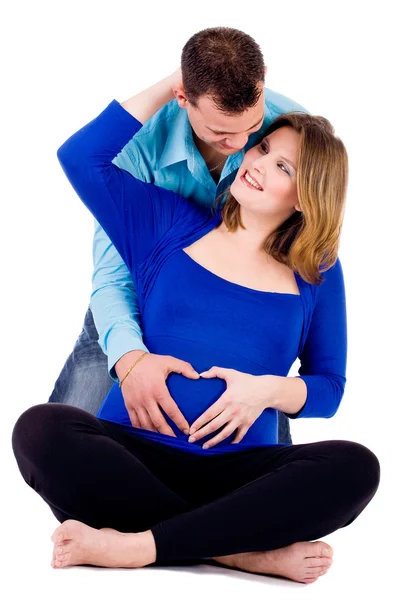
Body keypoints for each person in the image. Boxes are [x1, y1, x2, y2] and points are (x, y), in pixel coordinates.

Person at [12, 68, 380, 585]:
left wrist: (265, 392)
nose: (255, 163)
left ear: (305, 197)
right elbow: (81, 158)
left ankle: (141, 543)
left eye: (283, 167)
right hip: (133, 454)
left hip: (237, 473)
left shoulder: (316, 272)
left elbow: (330, 388)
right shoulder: (169, 220)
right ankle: (237, 552)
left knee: (357, 467)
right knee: (40, 428)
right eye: (262, 148)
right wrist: (178, 83)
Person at [48, 26, 308, 445]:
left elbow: (303, 236)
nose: (241, 143)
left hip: (239, 313)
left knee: (261, 475)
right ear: (183, 96)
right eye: (222, 134)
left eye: (252, 129)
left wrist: (269, 379)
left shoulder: (291, 129)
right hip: (140, 299)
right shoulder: (135, 146)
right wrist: (131, 360)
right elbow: (115, 275)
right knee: (65, 444)